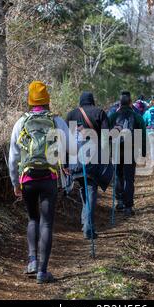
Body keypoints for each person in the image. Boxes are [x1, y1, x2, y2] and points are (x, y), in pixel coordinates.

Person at [9, 80, 70, 284]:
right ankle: (43, 272)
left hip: (27, 177)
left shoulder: (21, 122)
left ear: (30, 100)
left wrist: (15, 183)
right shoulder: (56, 121)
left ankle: (32, 260)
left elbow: (13, 157)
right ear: (47, 100)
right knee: (46, 223)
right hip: (49, 177)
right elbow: (70, 146)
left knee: (33, 218)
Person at [66, 92, 110, 240]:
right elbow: (104, 139)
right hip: (92, 158)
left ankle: (85, 222)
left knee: (84, 188)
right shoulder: (100, 113)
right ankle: (89, 228)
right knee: (91, 189)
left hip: (75, 159)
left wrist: (65, 163)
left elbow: (67, 140)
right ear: (92, 101)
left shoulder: (71, 114)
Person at [109, 91, 147, 217]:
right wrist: (144, 152)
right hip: (131, 150)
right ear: (131, 103)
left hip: (116, 150)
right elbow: (142, 135)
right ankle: (128, 207)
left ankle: (119, 201)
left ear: (119, 103)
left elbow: (106, 133)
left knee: (118, 176)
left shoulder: (113, 116)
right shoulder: (137, 117)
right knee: (129, 179)